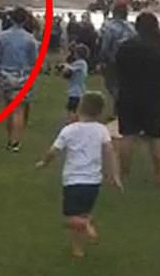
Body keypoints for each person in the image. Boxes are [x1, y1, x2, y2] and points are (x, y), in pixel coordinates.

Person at [35, 91, 122, 259]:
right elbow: (110, 152)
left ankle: (86, 225)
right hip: (93, 182)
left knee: (69, 219)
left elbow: (54, 151)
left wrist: (43, 162)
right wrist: (115, 175)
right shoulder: (102, 130)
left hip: (73, 181)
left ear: (79, 109)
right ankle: (78, 249)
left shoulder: (69, 130)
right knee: (83, 212)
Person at [115, 12, 160, 185]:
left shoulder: (126, 47)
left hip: (129, 94)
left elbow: (118, 68)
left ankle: (124, 173)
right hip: (153, 96)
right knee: (156, 137)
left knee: (127, 135)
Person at [0, 7, 38, 152]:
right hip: (23, 75)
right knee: (19, 109)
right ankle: (15, 141)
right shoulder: (30, 39)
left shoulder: (3, 36)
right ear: (25, 20)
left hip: (6, 73)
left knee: (8, 108)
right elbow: (34, 60)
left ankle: (9, 138)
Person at [99, 0, 136, 115]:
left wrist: (103, 59)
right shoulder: (132, 28)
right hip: (130, 62)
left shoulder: (110, 27)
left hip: (113, 60)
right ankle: (118, 110)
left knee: (111, 85)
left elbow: (105, 46)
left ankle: (119, 107)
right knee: (122, 85)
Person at [62, 43, 89, 122]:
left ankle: (72, 122)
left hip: (76, 92)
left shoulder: (80, 63)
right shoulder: (82, 63)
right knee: (72, 108)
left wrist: (64, 65)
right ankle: (73, 121)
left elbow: (68, 69)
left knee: (72, 109)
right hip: (77, 90)